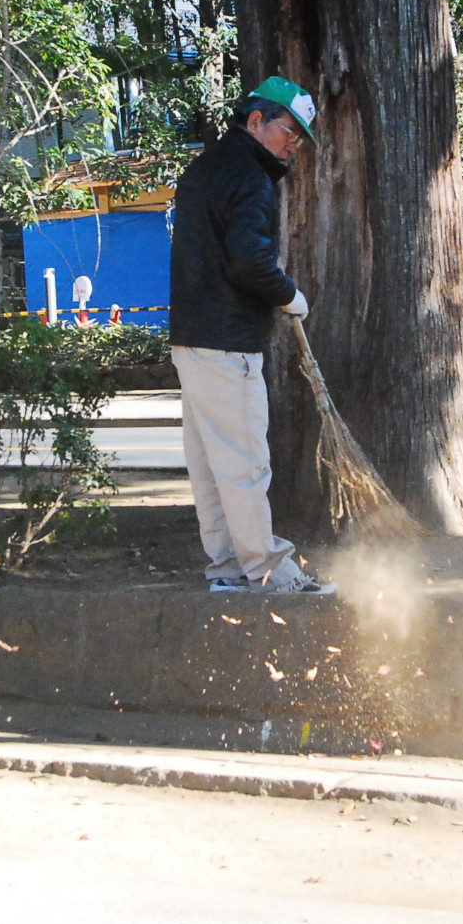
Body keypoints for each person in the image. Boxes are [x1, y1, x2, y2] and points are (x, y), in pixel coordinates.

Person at [168, 76, 337, 597]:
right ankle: (271, 572)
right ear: (256, 119)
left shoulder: (204, 168)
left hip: (190, 339)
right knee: (243, 464)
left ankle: (228, 571)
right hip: (228, 341)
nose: (293, 144)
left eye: (300, 138)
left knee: (211, 465)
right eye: (289, 130)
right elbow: (250, 261)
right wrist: (288, 294)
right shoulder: (251, 178)